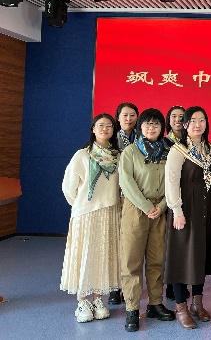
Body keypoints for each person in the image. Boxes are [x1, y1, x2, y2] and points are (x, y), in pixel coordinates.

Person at [60, 114, 121, 323]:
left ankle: (98, 299)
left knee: (103, 256)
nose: (105, 129)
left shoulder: (118, 156)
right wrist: (81, 206)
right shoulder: (82, 155)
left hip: (110, 212)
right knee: (85, 256)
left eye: (109, 125)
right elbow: (68, 188)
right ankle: (82, 301)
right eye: (100, 125)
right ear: (93, 129)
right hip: (86, 214)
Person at [118, 108, 174, 332]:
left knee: (156, 260)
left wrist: (162, 206)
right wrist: (146, 206)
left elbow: (174, 182)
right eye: (147, 124)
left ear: (162, 128)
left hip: (160, 210)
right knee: (131, 260)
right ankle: (132, 308)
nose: (151, 128)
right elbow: (126, 182)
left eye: (156, 124)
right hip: (136, 209)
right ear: (140, 127)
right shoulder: (130, 151)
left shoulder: (169, 151)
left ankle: (155, 303)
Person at [164, 107, 211, 329]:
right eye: (193, 120)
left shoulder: (210, 149)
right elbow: (171, 182)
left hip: (204, 209)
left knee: (199, 256)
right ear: (185, 125)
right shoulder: (178, 150)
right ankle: (181, 307)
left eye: (202, 120)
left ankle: (197, 304)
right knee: (180, 258)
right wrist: (177, 210)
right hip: (184, 211)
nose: (197, 124)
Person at [109, 102, 138, 305]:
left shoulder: (142, 138)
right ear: (118, 117)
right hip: (116, 195)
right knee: (116, 243)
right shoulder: (111, 138)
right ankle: (115, 287)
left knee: (132, 245)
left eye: (132, 115)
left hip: (137, 196)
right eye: (124, 115)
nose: (128, 119)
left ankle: (130, 286)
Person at [163, 104, 187, 303]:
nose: (178, 120)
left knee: (182, 245)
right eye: (174, 116)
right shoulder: (163, 143)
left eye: (181, 116)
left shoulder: (192, 142)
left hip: (185, 199)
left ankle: (181, 283)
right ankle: (171, 286)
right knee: (169, 245)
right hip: (168, 200)